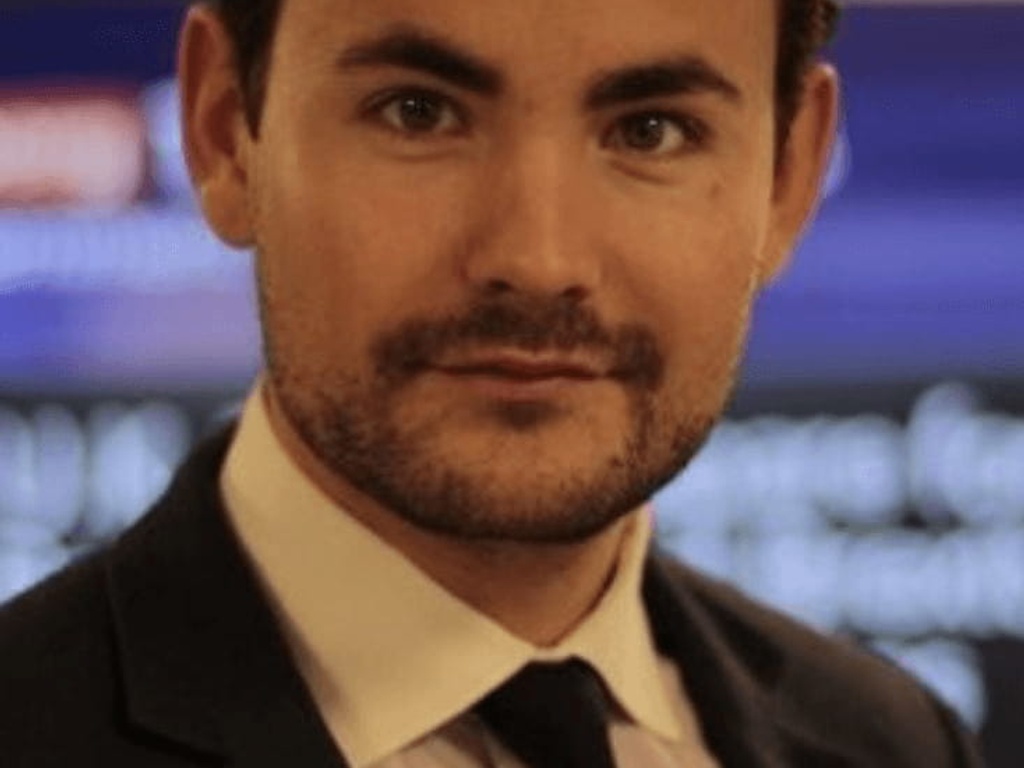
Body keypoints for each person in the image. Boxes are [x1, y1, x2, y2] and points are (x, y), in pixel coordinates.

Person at [0, 0, 985, 766]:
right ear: (224, 132)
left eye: (650, 131)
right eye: (418, 113)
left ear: (787, 179)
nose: (537, 256)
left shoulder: (891, 741)